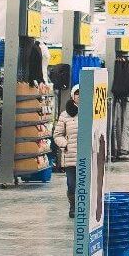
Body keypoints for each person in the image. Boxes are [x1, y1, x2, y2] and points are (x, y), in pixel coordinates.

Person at [52, 87, 79, 217]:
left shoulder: (91, 112)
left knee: (86, 184)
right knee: (71, 184)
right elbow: (57, 135)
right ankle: (73, 206)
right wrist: (65, 145)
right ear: (72, 96)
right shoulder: (65, 114)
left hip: (88, 155)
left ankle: (85, 206)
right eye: (77, 93)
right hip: (70, 156)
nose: (79, 96)